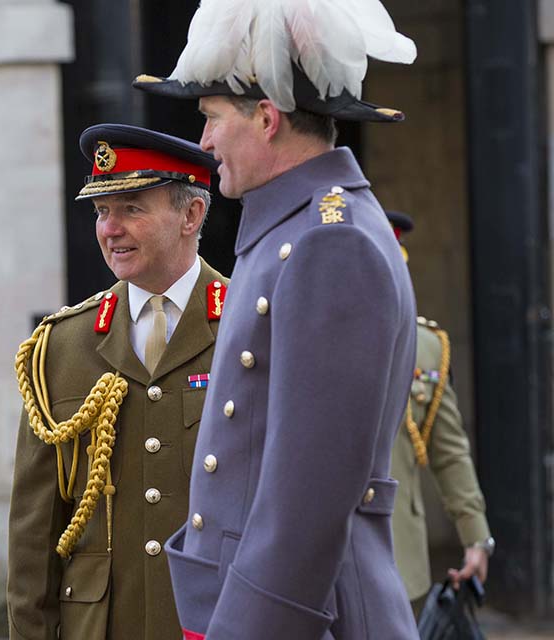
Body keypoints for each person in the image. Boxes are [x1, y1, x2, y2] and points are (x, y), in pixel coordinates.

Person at [132, 1, 421, 638]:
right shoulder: (296, 227)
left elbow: (306, 509)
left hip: (299, 614)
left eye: (211, 118)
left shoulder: (329, 242)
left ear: (267, 118)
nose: (203, 142)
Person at [8, 124, 228, 640]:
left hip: (217, 621)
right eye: (102, 212)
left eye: (131, 208)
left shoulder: (255, 326)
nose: (111, 228)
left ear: (191, 215)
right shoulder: (60, 346)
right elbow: (34, 532)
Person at [386, 211, 493, 614]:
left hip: (400, 558)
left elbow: (449, 450)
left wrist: (475, 536)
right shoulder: (305, 339)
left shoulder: (425, 346)